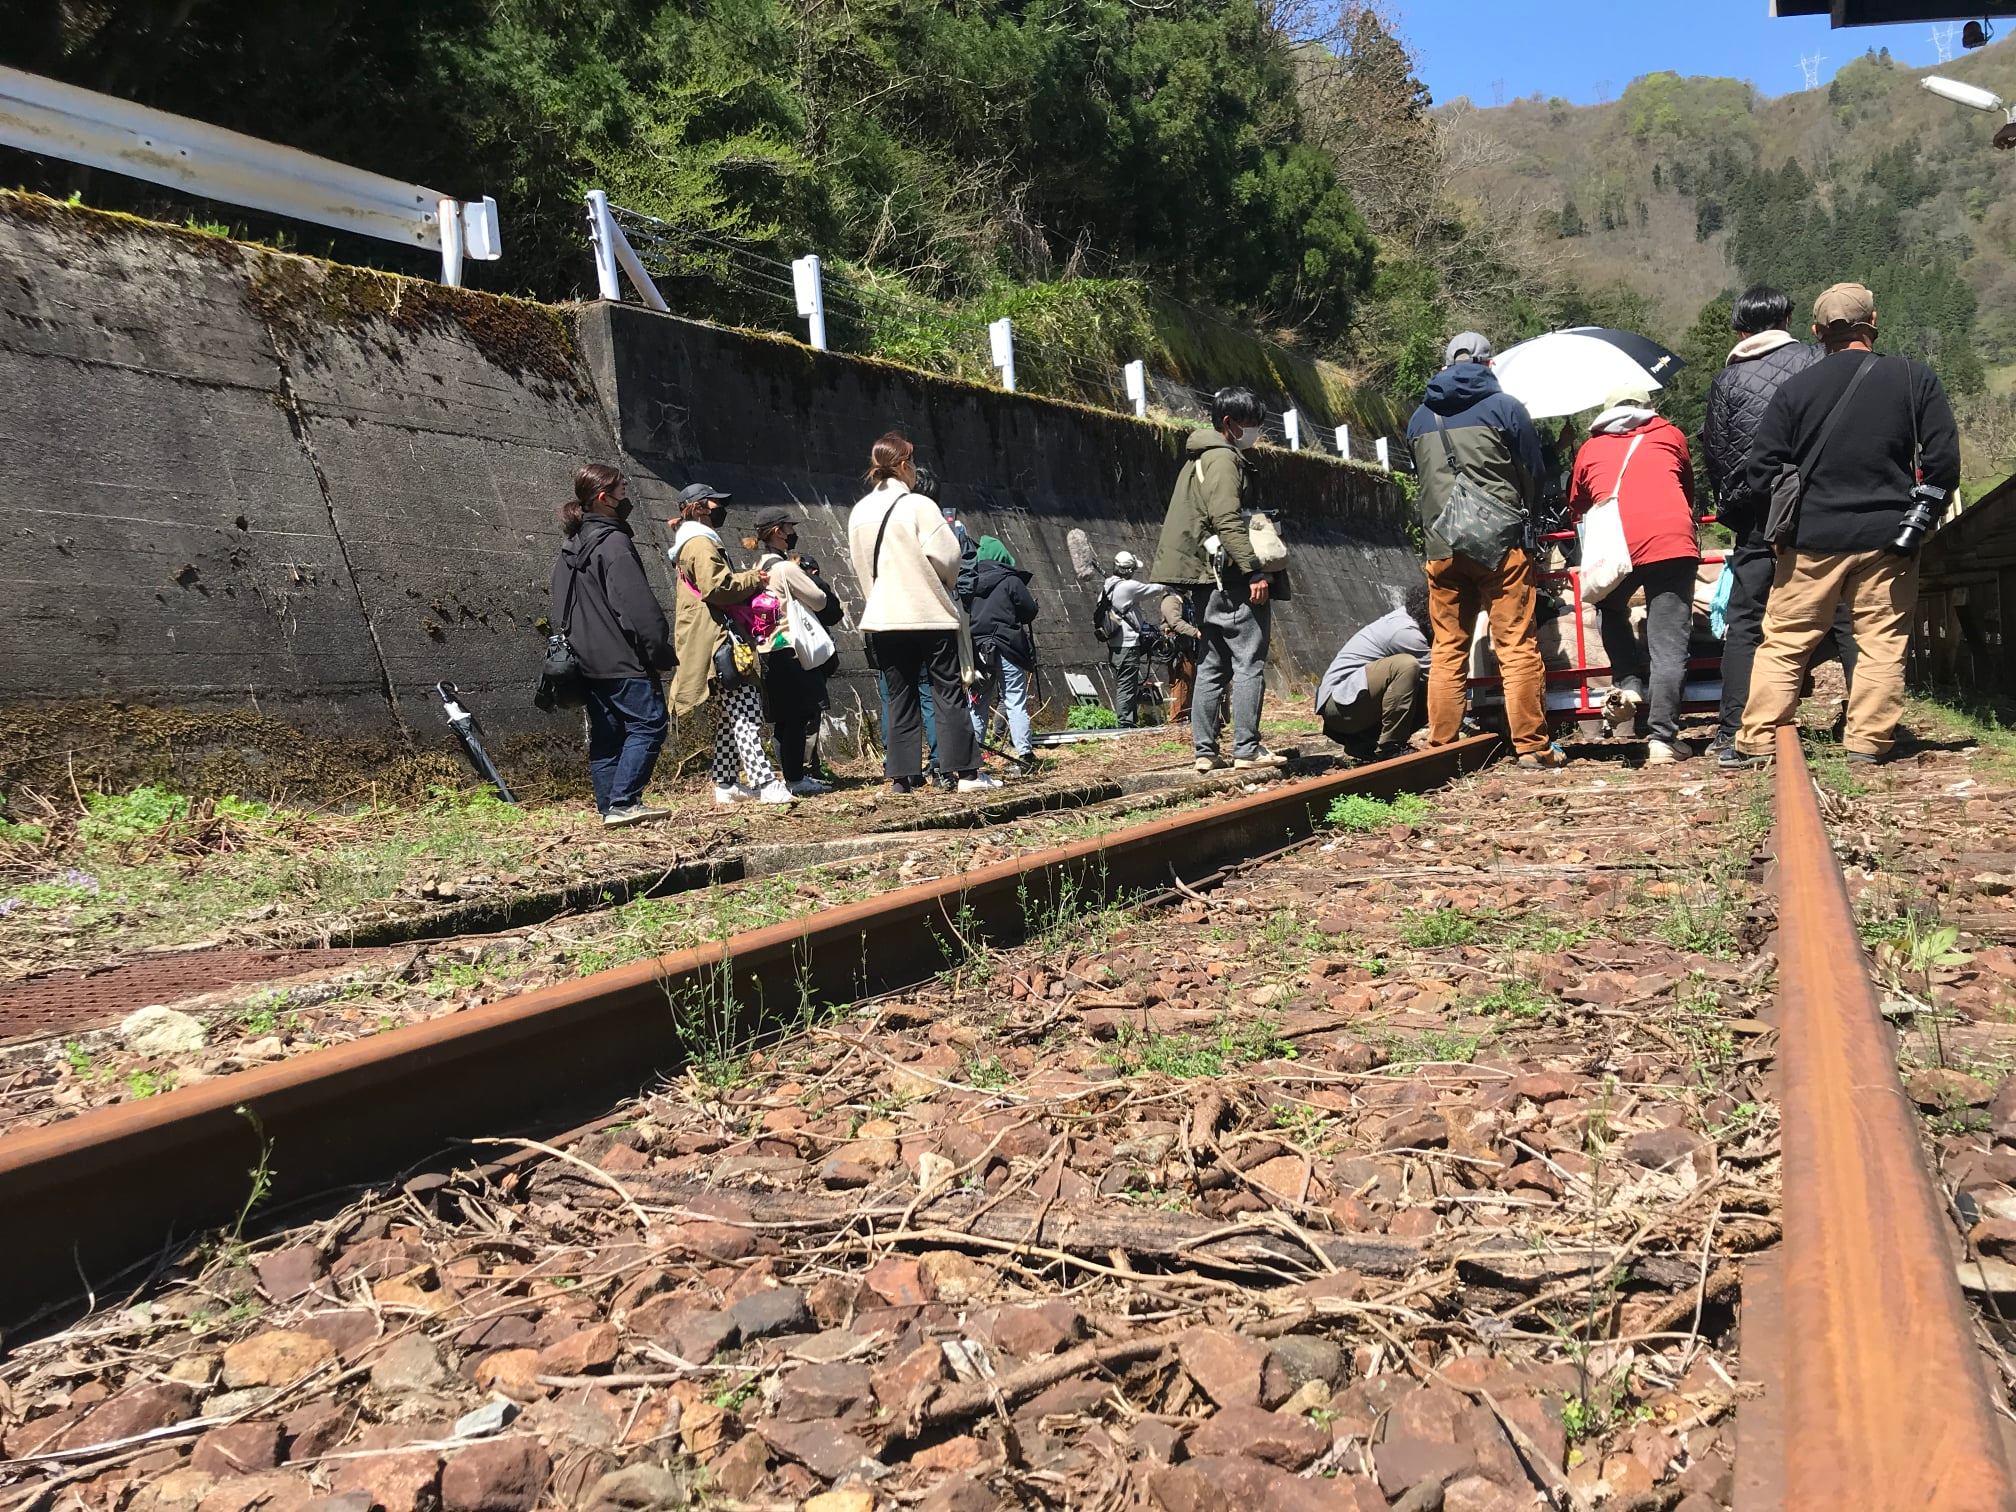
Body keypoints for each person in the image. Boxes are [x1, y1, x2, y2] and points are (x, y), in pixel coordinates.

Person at [1732, 282, 1958, 765]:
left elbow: (1760, 470)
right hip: (1889, 537)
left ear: (1816, 332)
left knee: (1786, 640)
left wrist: (1786, 518)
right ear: (1873, 322)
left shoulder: (1795, 390)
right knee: (1880, 641)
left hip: (1810, 538)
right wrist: (1920, 519)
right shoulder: (1914, 378)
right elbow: (1943, 464)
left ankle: (1758, 739)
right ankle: (1868, 742)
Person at [1704, 284, 1858, 767]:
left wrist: (1737, 510)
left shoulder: (1727, 381)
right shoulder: (1815, 360)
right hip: (1818, 505)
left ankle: (1734, 729)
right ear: (1788, 320)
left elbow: (1717, 455)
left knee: (1746, 620)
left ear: (1740, 329)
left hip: (1756, 514)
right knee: (1842, 610)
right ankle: (1865, 722)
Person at [1405, 332, 1560, 770]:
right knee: (1515, 644)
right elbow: (1533, 472)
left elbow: (1420, 475)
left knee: (1447, 646)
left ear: (1446, 364)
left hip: (1441, 544)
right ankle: (1531, 746)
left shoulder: (1419, 417)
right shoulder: (1505, 408)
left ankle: (1442, 744)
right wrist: (1527, 519)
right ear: (1489, 365)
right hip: (1500, 543)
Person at [849, 432, 996, 794]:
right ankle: (966, 774)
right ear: (902, 465)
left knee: (899, 696)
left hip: (884, 616)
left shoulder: (859, 512)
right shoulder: (918, 505)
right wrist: (944, 583)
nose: (915, 469)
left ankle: (902, 778)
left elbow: (861, 567)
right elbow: (948, 557)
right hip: (926, 611)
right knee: (947, 691)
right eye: (912, 462)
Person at [1150, 387, 1287, 772]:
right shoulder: (1224, 459)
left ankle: (1205, 752)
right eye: (1251, 423)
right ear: (1229, 423)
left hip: (1204, 577)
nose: (1256, 431)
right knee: (1249, 661)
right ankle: (1246, 748)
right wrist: (1253, 570)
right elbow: (1226, 519)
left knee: (1212, 664)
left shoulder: (1198, 459)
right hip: (1231, 577)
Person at [1567, 387, 1702, 764]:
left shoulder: (1590, 448)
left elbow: (1577, 503)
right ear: (1648, 408)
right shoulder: (1670, 434)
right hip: (1671, 541)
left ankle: (1628, 682)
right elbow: (1687, 488)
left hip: (1617, 546)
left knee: (1609, 606)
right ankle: (1662, 738)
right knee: (1668, 643)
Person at [550, 464, 673, 827]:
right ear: (604, 498)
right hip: (621, 656)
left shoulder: (569, 548)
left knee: (607, 734)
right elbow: (637, 607)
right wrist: (658, 650)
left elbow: (559, 604)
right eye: (622, 490)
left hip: (584, 659)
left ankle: (609, 808)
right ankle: (624, 802)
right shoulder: (614, 543)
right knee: (649, 724)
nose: (627, 496)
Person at [668, 483, 791, 805]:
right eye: (713, 503)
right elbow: (717, 587)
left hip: (712, 636)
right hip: (720, 639)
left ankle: (725, 782)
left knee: (730, 715)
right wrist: (754, 579)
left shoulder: (691, 541)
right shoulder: (700, 542)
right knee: (746, 710)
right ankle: (765, 782)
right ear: (698, 508)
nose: (719, 509)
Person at [748, 505, 834, 797]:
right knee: (799, 716)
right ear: (777, 532)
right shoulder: (785, 568)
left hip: (767, 648)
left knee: (782, 718)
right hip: (791, 647)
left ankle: (790, 775)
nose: (792, 532)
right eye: (789, 528)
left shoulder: (758, 567)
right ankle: (796, 778)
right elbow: (819, 599)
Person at [1315, 581, 1432, 762]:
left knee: (1424, 687)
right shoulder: (1407, 632)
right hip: (1339, 706)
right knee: (1407, 666)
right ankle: (1391, 747)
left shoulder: (1411, 621)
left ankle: (1365, 744)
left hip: (1353, 704)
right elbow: (1441, 678)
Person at [966, 535, 1038, 766]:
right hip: (1008, 646)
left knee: (977, 703)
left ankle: (972, 759)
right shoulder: (1011, 580)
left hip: (978, 650)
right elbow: (1029, 610)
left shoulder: (968, 580)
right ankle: (1024, 755)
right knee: (1014, 700)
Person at [1099, 551, 1166, 727]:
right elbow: (1155, 589)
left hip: (1115, 644)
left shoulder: (1108, 586)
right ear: (1129, 570)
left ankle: (1130, 720)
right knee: (1127, 685)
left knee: (1127, 682)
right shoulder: (1128, 587)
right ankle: (1125, 723)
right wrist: (1170, 583)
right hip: (1127, 644)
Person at [1160, 590, 1202, 724]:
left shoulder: (1185, 600)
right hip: (1177, 649)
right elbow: (1175, 622)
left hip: (1188, 647)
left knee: (1188, 681)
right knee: (1180, 681)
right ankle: (1177, 719)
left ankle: (1185, 715)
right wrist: (1196, 632)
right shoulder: (1171, 600)